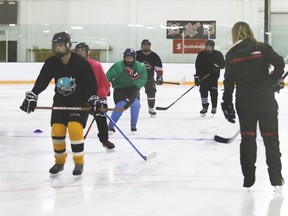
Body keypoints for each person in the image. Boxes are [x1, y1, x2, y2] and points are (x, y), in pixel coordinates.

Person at [20, 31, 104, 178]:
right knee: (57, 131)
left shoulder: (80, 62)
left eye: (60, 45)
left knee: (74, 129)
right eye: (55, 45)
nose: (57, 48)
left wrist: (93, 98)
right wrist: (34, 94)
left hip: (79, 101)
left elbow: (90, 83)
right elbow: (43, 79)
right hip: (60, 101)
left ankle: (79, 162)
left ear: (68, 46)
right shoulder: (52, 62)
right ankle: (59, 162)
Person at [221, 21, 285, 190]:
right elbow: (280, 63)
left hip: (245, 102)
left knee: (248, 140)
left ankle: (248, 180)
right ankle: (276, 180)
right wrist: (272, 81)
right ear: (249, 31)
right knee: (270, 139)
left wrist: (227, 104)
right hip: (265, 100)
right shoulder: (262, 48)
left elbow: (228, 82)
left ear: (234, 34)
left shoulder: (231, 55)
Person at [75, 42, 115, 150]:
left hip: (95, 96)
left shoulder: (95, 65)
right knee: (77, 119)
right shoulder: (72, 65)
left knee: (101, 115)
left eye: (82, 51)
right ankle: (77, 139)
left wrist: (102, 97)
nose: (80, 53)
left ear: (87, 53)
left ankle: (104, 139)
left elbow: (103, 82)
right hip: (80, 98)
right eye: (78, 51)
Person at [106, 48, 147, 132]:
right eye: (127, 57)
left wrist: (136, 86)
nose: (129, 59)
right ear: (124, 57)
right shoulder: (118, 66)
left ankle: (133, 125)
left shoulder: (140, 67)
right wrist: (106, 86)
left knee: (136, 105)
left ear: (134, 58)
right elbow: (108, 76)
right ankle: (111, 125)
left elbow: (143, 78)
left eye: (130, 57)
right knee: (121, 105)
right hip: (119, 89)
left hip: (133, 88)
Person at [194, 40, 225, 116]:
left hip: (213, 78)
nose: (208, 47)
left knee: (213, 92)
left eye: (210, 46)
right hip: (203, 77)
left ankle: (214, 106)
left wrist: (217, 66)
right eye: (207, 46)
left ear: (213, 47)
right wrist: (197, 77)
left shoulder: (218, 54)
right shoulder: (201, 54)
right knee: (203, 92)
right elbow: (197, 66)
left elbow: (223, 65)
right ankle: (205, 107)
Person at [136, 39, 163, 117]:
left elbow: (158, 67)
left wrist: (159, 76)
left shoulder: (154, 55)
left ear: (149, 46)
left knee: (151, 92)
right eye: (144, 45)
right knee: (135, 93)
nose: (146, 46)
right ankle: (136, 108)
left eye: (147, 45)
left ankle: (151, 108)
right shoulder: (136, 54)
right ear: (141, 46)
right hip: (137, 78)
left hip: (149, 77)